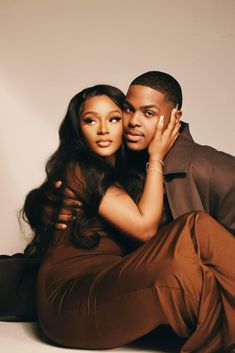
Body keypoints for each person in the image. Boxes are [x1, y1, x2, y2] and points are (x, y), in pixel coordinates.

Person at [20, 84, 235, 353]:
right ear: (78, 129)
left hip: (109, 285)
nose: (103, 130)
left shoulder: (125, 174)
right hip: (73, 300)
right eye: (90, 120)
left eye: (113, 119)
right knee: (196, 226)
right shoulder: (80, 168)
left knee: (197, 278)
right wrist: (157, 157)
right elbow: (145, 229)